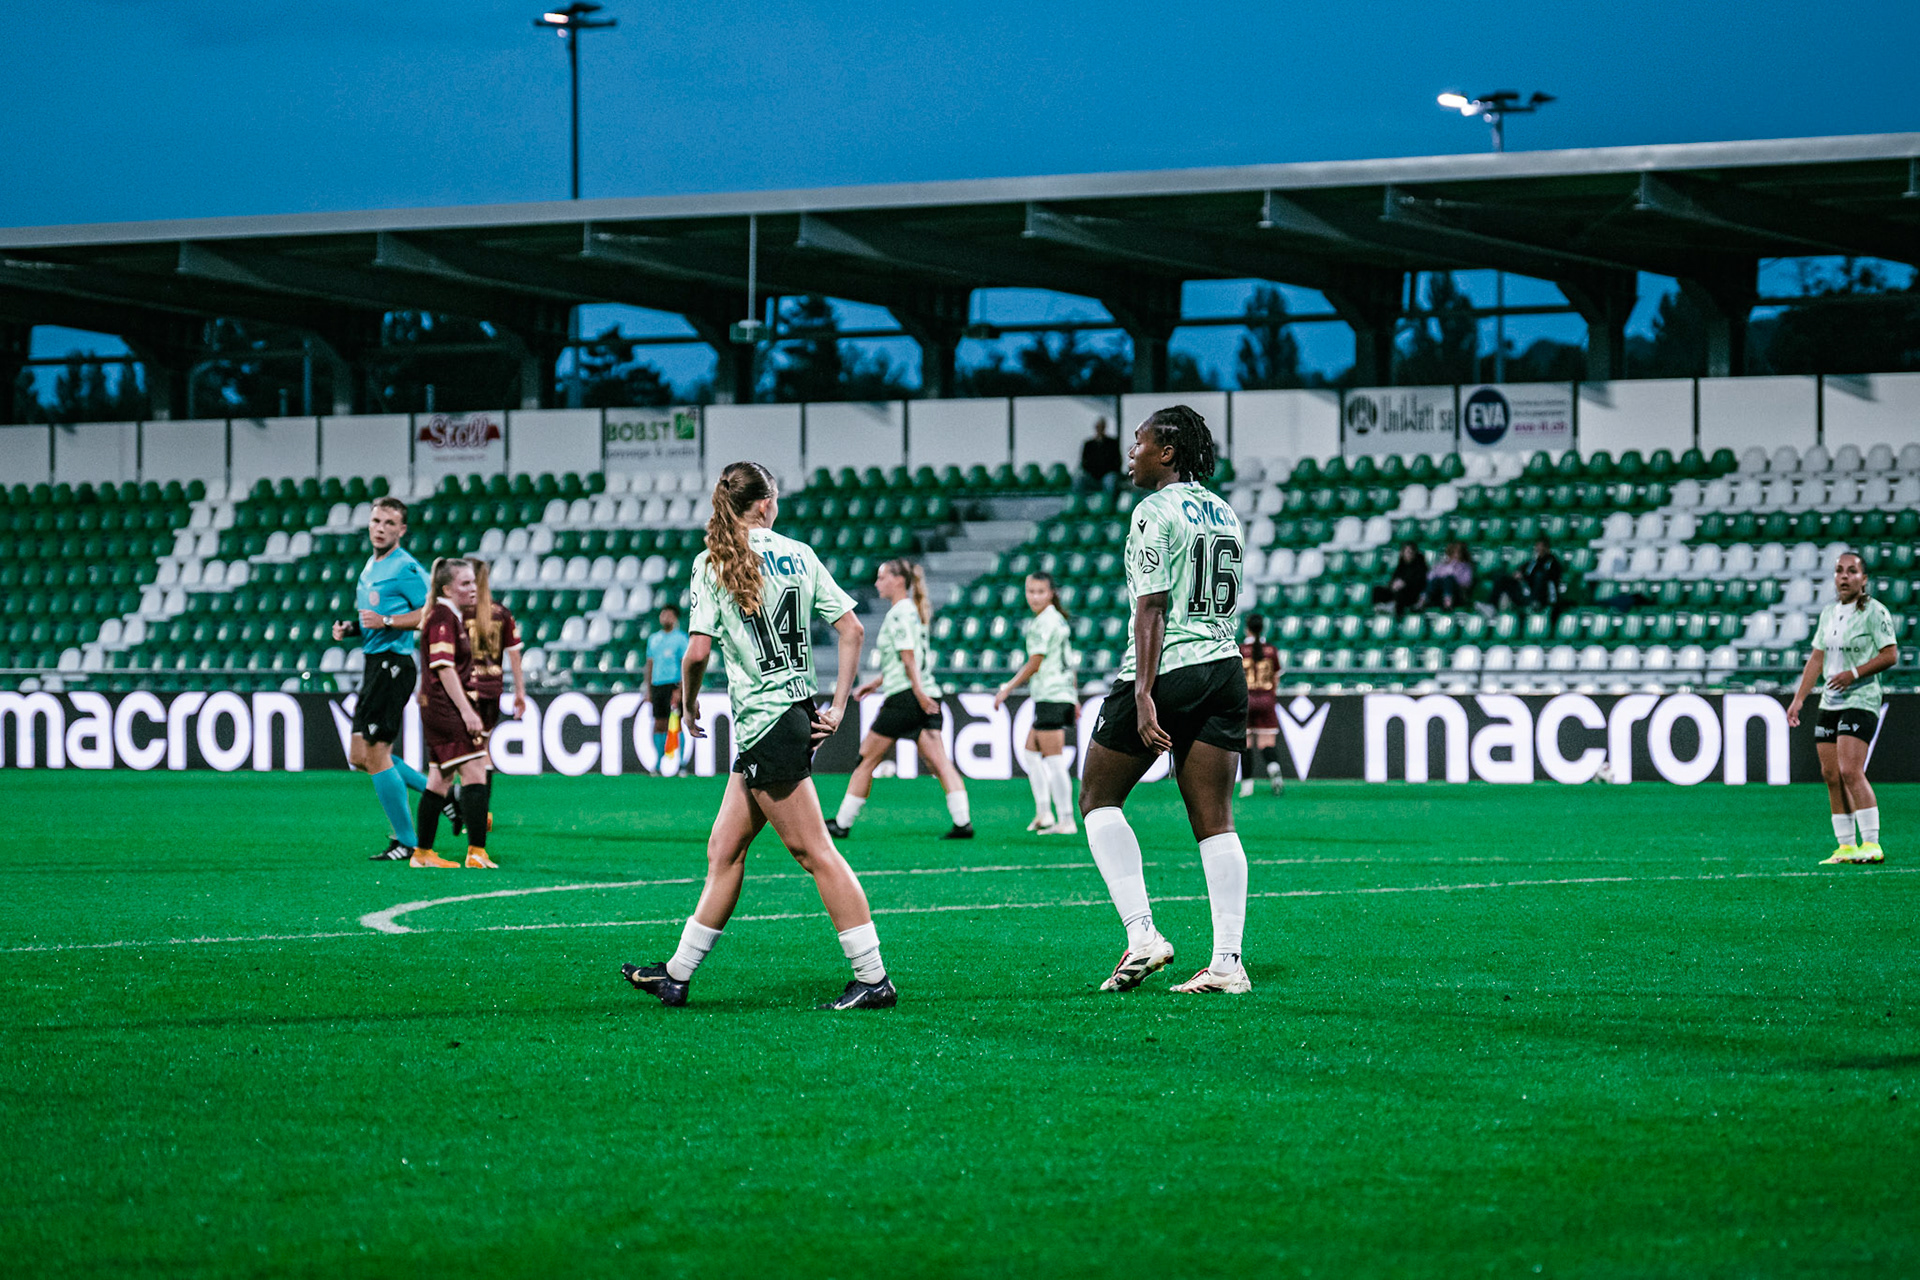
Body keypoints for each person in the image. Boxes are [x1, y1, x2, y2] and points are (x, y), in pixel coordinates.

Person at [622, 461, 895, 1010]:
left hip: (765, 722)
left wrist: (689, 700)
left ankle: (873, 978)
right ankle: (676, 975)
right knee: (724, 850)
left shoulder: (713, 560)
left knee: (815, 851)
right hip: (785, 714)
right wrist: (838, 706)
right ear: (767, 503)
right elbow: (853, 629)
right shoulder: (799, 553)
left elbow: (696, 652)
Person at [1078, 405, 1251, 996]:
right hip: (1226, 666)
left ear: (1168, 452)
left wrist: (1145, 694)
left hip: (1169, 667)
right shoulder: (1224, 510)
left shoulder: (1154, 510)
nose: (1132, 452)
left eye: (1140, 442)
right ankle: (1228, 963)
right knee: (1215, 822)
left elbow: (1150, 607)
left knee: (1098, 797)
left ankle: (1144, 936)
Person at [330, 496, 444, 862]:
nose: (380, 528)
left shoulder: (406, 568)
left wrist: (389, 623)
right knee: (359, 756)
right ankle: (443, 797)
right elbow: (375, 615)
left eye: (389, 524)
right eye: (376, 521)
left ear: (402, 530)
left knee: (377, 755)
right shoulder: (372, 564)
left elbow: (433, 612)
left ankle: (409, 841)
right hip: (374, 662)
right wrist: (351, 628)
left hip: (393, 665)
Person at [829, 559, 973, 841]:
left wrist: (916, 693)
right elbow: (905, 659)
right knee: (940, 762)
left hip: (907, 697)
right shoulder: (912, 612)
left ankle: (842, 823)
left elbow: (908, 657)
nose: (876, 583)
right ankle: (963, 822)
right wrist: (877, 682)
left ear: (897, 580)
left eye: (881, 577)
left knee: (867, 758)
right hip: (923, 693)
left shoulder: (900, 613)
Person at [1787, 552, 1899, 864]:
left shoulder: (1875, 612)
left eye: (1852, 571)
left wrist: (1854, 673)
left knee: (1851, 769)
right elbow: (1817, 658)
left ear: (1864, 579)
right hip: (1830, 700)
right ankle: (1846, 846)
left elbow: (1891, 654)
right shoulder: (1829, 613)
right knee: (1830, 773)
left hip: (1861, 699)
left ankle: (1872, 843)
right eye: (1839, 571)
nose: (1844, 577)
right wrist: (1799, 699)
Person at [408, 558, 496, 869]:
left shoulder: (445, 615)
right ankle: (476, 852)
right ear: (447, 588)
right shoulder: (443, 618)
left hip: (437, 709)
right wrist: (468, 712)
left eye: (473, 582)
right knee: (475, 771)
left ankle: (422, 853)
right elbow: (444, 669)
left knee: (439, 780)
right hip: (447, 709)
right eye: (465, 583)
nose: (473, 588)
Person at [994, 572, 1079, 834]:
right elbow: (1069, 663)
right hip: (1059, 694)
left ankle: (1066, 820)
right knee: (1031, 752)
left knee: (1053, 760)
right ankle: (1044, 813)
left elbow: (1035, 662)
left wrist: (1007, 688)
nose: (1034, 596)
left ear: (1051, 592)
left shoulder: (1044, 622)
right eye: (1030, 591)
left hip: (1052, 694)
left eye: (1040, 591)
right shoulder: (1057, 620)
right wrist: (1074, 698)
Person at [462, 558, 523, 828]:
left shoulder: (460, 612)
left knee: (465, 754)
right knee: (483, 750)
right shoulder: (502, 612)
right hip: (493, 689)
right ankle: (482, 811)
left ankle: (469, 811)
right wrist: (520, 692)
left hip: (465, 690)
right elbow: (515, 655)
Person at [1239, 614, 1284, 798]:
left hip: (1246, 700)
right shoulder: (1271, 650)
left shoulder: (1240, 649)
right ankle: (1274, 771)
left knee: (1246, 744)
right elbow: (1276, 677)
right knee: (1267, 743)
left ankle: (1247, 786)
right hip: (1266, 699)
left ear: (1246, 628)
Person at [644, 604, 692, 774]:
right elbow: (650, 664)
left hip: (673, 685)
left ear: (675, 618)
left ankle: (681, 764)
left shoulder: (681, 639)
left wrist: (680, 689)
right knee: (659, 724)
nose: (665, 617)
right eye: (663, 614)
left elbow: (684, 664)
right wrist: (648, 688)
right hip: (657, 685)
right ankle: (657, 763)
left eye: (669, 614)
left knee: (676, 724)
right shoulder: (653, 639)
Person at [1492, 537, 1565, 616]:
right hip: (1528, 593)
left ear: (1547, 548)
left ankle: (1535, 604)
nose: (1539, 549)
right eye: (1538, 547)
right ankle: (1492, 606)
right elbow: (1521, 570)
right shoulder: (1533, 562)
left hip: (1544, 598)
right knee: (1502, 578)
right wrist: (1517, 574)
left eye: (1542, 547)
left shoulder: (1553, 562)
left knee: (1539, 576)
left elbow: (1550, 580)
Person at [1371, 541, 1428, 616]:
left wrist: (1404, 583)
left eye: (1410, 552)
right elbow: (1394, 577)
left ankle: (1394, 609)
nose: (1408, 555)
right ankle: (1381, 607)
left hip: (1411, 594)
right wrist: (1393, 584)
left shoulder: (1421, 566)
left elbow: (1420, 581)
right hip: (1397, 591)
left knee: (1401, 591)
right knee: (1377, 590)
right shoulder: (1401, 565)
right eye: (1406, 552)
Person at [1421, 541, 1475, 611]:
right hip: (1438, 593)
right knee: (1436, 580)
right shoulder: (1441, 565)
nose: (1456, 555)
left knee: (1449, 579)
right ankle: (1422, 602)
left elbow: (1466, 583)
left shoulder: (1466, 567)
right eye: (1453, 553)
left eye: (1459, 553)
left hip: (1456, 595)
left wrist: (1452, 575)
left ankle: (1448, 603)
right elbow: (1430, 577)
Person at [1077, 416, 1122, 493]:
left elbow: (1117, 461)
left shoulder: (1112, 443)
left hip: (1107, 475)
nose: (1099, 429)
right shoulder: (1088, 444)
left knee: (1111, 480)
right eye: (1098, 427)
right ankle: (1078, 502)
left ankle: (1108, 502)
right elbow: (1084, 461)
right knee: (1079, 479)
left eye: (1101, 427)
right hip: (1091, 475)